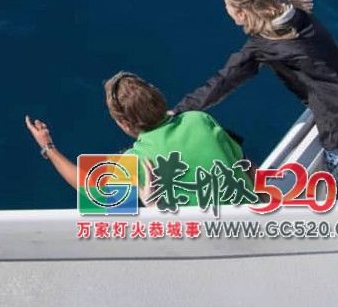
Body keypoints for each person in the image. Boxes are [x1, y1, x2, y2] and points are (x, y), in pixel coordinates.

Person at [173, 0, 338, 197]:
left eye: (227, 7)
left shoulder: (263, 46)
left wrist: (181, 109)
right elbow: (278, 4)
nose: (227, 12)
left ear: (241, 13)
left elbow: (223, 81)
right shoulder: (298, 15)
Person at [26, 71, 250, 207]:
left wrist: (48, 147)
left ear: (124, 124)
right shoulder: (199, 120)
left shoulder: (135, 161)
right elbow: (243, 164)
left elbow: (88, 188)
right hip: (252, 223)